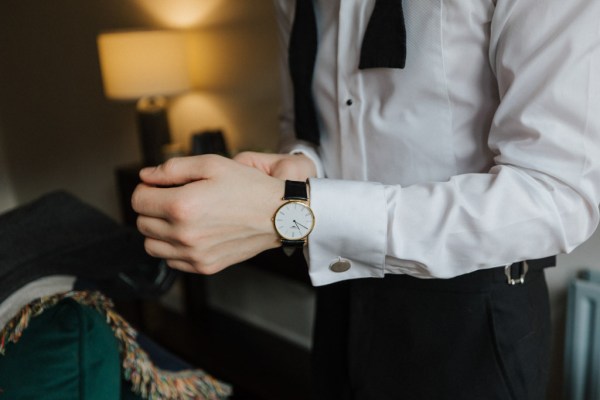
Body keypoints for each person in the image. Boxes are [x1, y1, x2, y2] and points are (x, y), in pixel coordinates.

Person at [132, 0, 600, 398]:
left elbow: (557, 193)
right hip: (340, 294)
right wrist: (300, 165)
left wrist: (296, 212)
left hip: (475, 316)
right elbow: (307, 128)